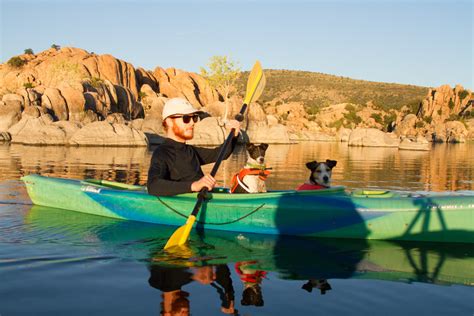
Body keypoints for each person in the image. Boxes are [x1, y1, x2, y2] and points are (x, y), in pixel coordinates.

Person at [147, 98, 241, 196]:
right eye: (186, 118)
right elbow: (153, 186)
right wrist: (195, 186)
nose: (192, 123)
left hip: (203, 197)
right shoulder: (162, 153)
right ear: (169, 122)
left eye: (194, 118)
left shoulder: (191, 151)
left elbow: (221, 154)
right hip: (185, 204)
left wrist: (233, 136)